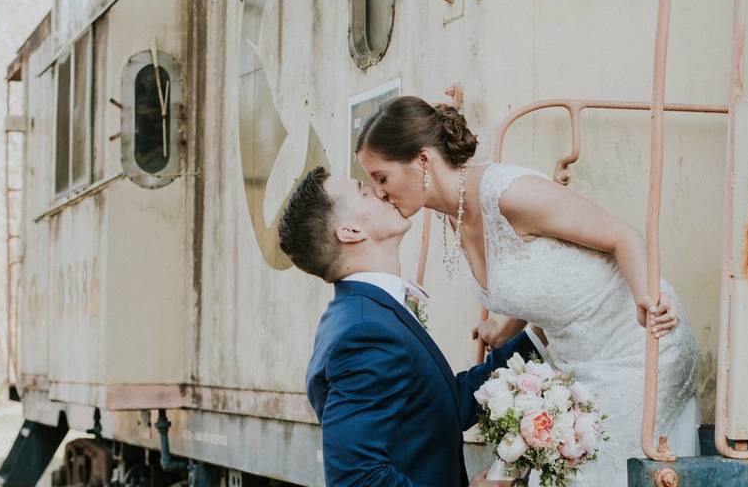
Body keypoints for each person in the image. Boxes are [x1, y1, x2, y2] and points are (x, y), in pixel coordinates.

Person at [355, 96, 699, 486]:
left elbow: (624, 237)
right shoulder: (453, 214)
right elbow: (538, 274)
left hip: (637, 343)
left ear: (421, 160)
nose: (378, 192)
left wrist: (645, 299)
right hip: (578, 359)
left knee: (589, 474)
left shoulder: (510, 194)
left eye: (381, 178)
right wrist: (505, 329)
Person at [278, 166, 547, 486]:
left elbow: (446, 407)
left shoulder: (369, 313)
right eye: (364, 191)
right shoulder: (362, 333)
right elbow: (357, 480)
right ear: (350, 231)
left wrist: (538, 333)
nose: (380, 191)